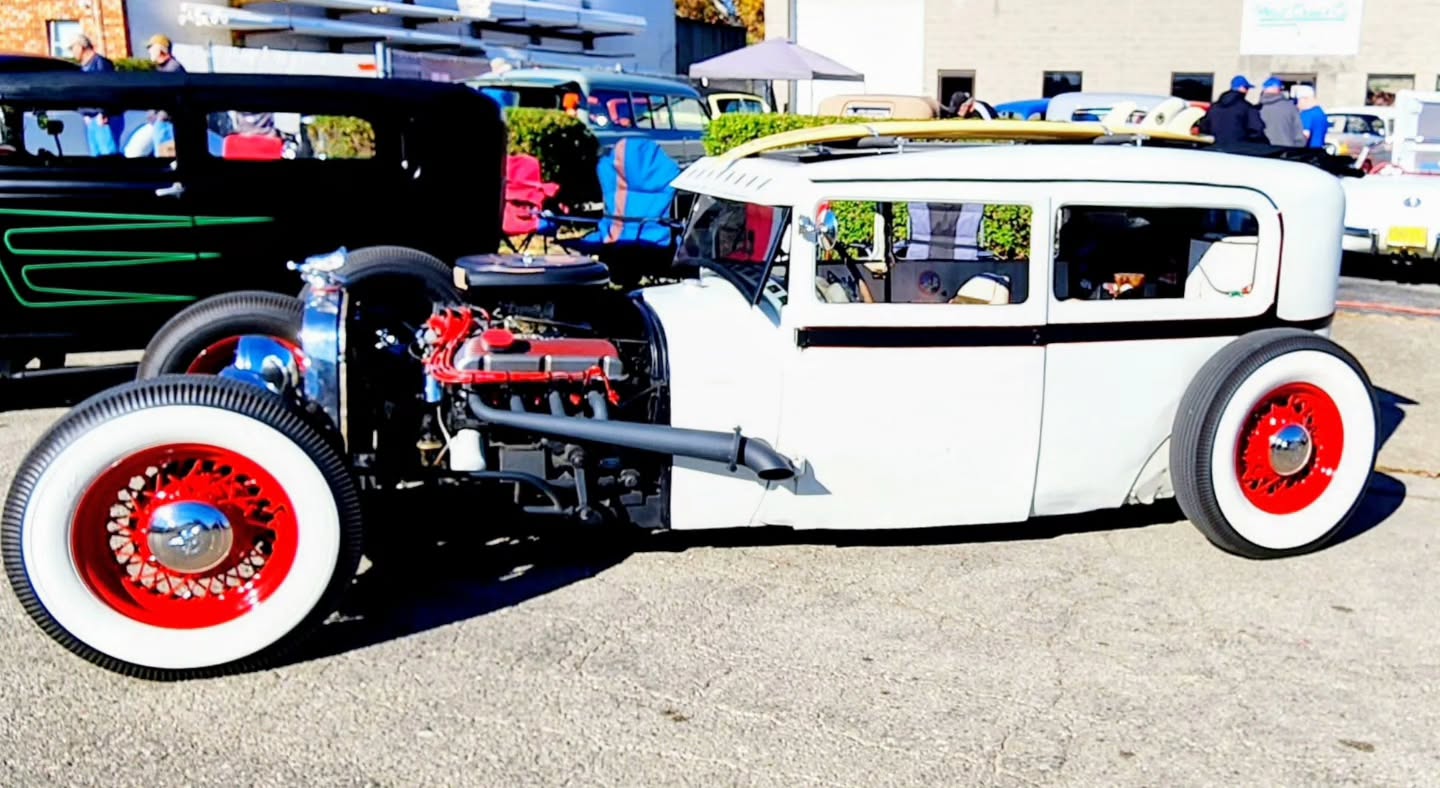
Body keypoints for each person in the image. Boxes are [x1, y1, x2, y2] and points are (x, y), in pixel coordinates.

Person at [69, 34, 125, 156]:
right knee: (97, 156)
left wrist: (104, 113)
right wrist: (85, 114)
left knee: (109, 155)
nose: (72, 52)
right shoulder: (83, 68)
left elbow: (107, 91)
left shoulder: (101, 64)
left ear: (81, 47)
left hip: (102, 118)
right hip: (91, 118)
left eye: (73, 48)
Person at [1197, 76, 1266, 144]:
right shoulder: (1247, 107)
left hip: (1217, 149)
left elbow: (1204, 127)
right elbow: (1256, 130)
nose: (1247, 91)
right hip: (1239, 150)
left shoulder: (1215, 107)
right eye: (1247, 88)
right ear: (1243, 88)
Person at [1257, 77, 1304, 146]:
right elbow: (1299, 135)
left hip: (1262, 151)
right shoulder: (1290, 108)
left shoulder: (1257, 109)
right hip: (1286, 151)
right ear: (1280, 89)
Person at [1294, 84, 1329, 149]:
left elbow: (1303, 137)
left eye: (1298, 100)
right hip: (1319, 151)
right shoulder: (1320, 113)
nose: (1297, 104)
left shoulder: (1307, 115)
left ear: (1305, 99)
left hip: (1307, 154)